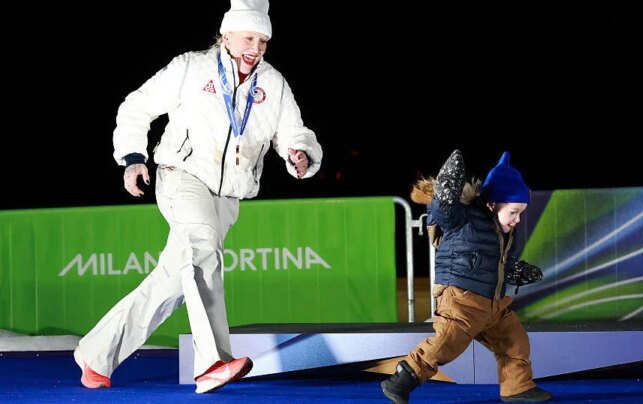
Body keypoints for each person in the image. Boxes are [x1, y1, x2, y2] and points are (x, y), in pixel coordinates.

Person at [73, 0, 322, 394]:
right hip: (182, 176)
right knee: (204, 250)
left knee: (171, 283)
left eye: (262, 40)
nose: (255, 47)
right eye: (248, 38)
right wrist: (133, 158)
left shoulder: (272, 84)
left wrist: (301, 152)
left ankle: (95, 354)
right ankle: (213, 362)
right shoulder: (191, 67)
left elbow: (294, 131)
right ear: (226, 36)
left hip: (228, 197)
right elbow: (136, 107)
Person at [381, 150, 551, 403]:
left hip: (493, 304)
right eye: (514, 212)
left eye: (521, 213)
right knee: (449, 342)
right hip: (462, 298)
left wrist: (516, 271)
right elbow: (442, 213)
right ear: (492, 204)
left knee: (514, 341)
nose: (517, 219)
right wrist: (447, 190)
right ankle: (404, 377)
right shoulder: (465, 217)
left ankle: (518, 387)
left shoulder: (506, 234)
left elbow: (501, 263)